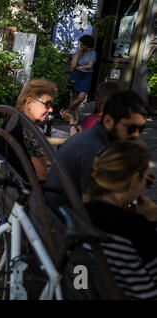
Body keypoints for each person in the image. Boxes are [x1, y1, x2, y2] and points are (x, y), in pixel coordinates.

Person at [45, 90, 148, 214]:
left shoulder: (91, 138)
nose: (136, 135)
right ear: (108, 121)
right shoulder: (96, 152)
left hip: (57, 215)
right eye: (131, 128)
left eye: (141, 129)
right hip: (66, 223)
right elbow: (92, 211)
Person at [84, 140, 157, 299]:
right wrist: (152, 219)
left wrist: (130, 208)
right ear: (135, 179)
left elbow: (110, 211)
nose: (146, 184)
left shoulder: (83, 212)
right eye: (148, 179)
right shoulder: (136, 227)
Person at [0, 78, 57, 182]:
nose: (51, 110)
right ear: (28, 103)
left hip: (9, 189)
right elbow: (43, 176)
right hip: (28, 193)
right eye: (47, 104)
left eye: (51, 105)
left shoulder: (11, 122)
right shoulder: (29, 132)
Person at [64, 35, 97, 122]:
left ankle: (67, 110)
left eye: (83, 45)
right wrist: (78, 54)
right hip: (77, 75)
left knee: (81, 98)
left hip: (86, 76)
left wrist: (80, 67)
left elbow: (90, 66)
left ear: (88, 45)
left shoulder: (92, 53)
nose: (81, 46)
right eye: (80, 44)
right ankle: (76, 118)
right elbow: (73, 66)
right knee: (75, 98)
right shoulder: (76, 53)